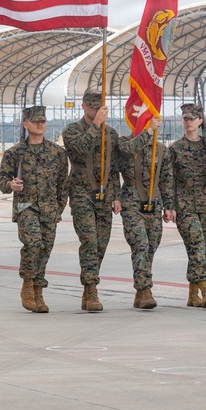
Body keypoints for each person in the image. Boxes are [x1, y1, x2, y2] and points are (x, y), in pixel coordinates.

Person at [0, 105, 68, 312]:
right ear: (25, 124)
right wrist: (11, 185)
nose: (40, 124)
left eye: (43, 121)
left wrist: (58, 209)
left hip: (49, 209)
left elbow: (63, 184)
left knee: (45, 249)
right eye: (36, 121)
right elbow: (2, 179)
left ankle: (38, 290)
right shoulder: (14, 153)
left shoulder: (57, 153)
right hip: (26, 206)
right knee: (33, 244)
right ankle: (27, 285)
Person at [61, 91, 121, 312]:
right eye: (92, 107)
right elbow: (80, 149)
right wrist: (96, 124)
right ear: (84, 106)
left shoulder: (111, 134)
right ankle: (92, 287)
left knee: (101, 244)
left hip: (104, 195)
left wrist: (116, 195)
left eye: (99, 108)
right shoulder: (72, 130)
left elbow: (114, 168)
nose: (96, 111)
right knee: (89, 240)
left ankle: (89, 286)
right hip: (81, 193)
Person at [163, 103, 206, 308]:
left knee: (202, 250)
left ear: (200, 121)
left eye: (192, 118)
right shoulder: (175, 149)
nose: (188, 121)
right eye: (185, 118)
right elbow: (168, 180)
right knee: (196, 245)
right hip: (185, 206)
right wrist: (169, 206)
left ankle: (192, 294)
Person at [117, 115, 172, 309]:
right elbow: (128, 150)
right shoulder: (124, 143)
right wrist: (148, 132)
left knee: (151, 247)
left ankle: (141, 290)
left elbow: (166, 179)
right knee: (140, 243)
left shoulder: (161, 149)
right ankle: (145, 290)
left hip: (154, 203)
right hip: (131, 201)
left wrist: (169, 206)